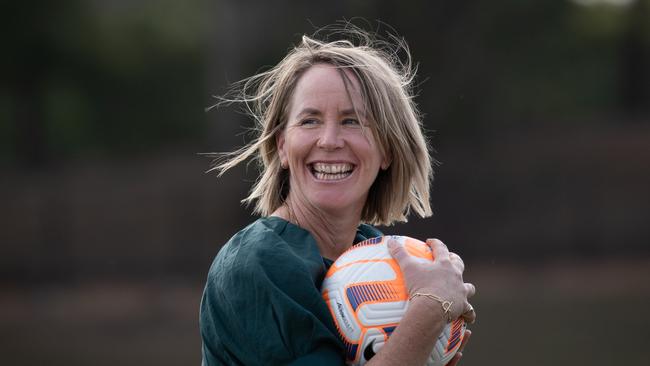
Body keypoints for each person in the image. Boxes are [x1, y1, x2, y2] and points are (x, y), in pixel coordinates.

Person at [200, 27, 476, 366]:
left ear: (388, 149)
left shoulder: (382, 256)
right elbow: (429, 307)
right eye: (309, 121)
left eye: (353, 121)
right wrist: (431, 307)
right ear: (282, 146)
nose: (329, 140)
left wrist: (426, 341)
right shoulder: (257, 263)